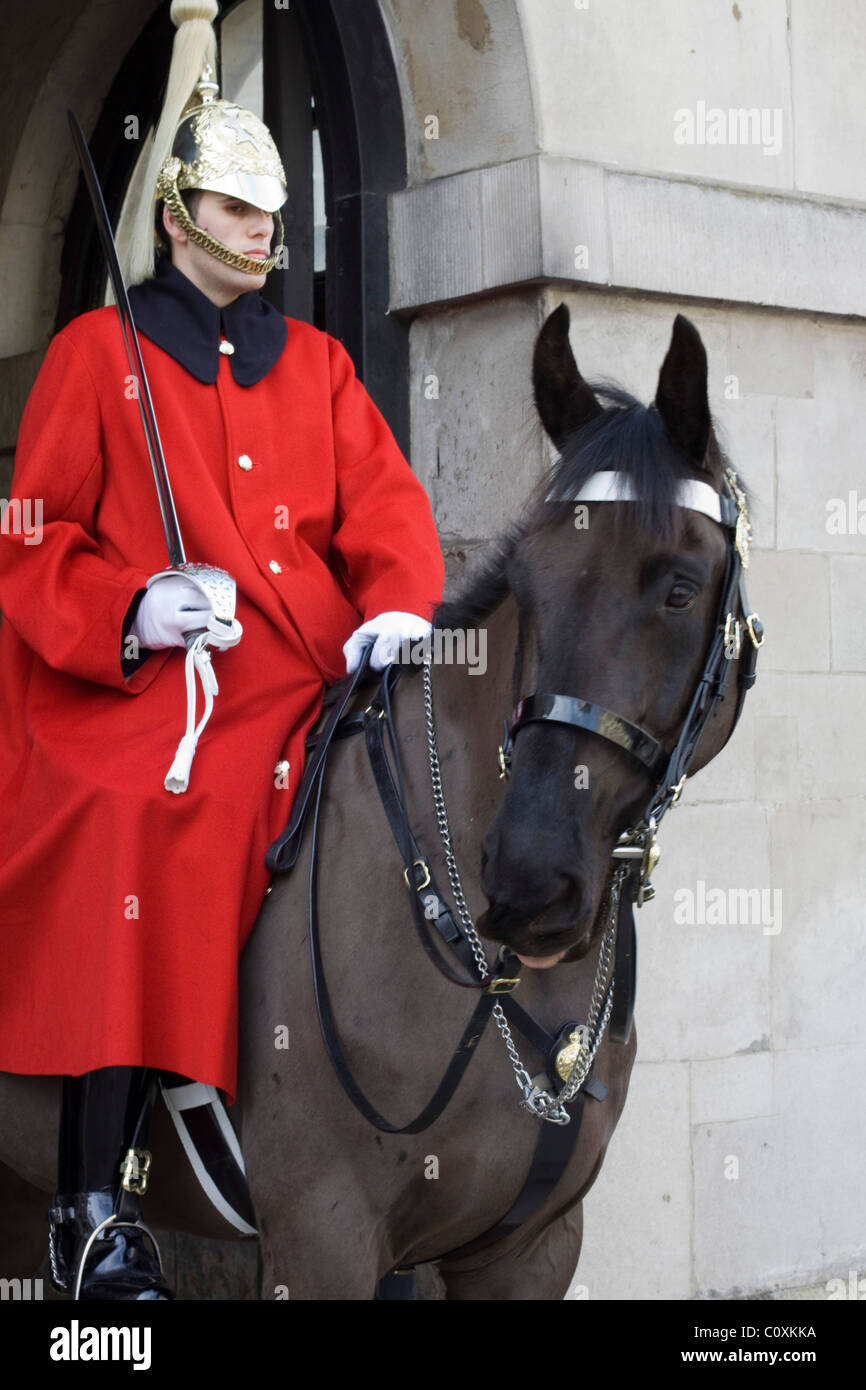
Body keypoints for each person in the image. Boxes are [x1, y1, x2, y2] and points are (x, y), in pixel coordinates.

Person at [0, 1, 443, 1300]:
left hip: (308, 674)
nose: (268, 234)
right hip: (152, 697)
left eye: (271, 215)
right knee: (148, 813)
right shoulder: (98, 353)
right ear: (181, 214)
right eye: (242, 214)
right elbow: (31, 538)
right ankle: (92, 1207)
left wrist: (395, 604)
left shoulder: (310, 362)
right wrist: (135, 609)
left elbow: (388, 513)